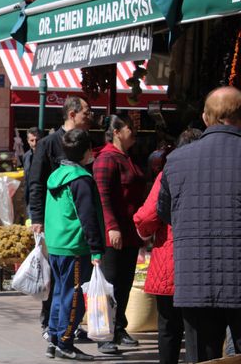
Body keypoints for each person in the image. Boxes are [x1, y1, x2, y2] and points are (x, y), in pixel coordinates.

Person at [158, 86, 241, 362]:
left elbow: (166, 212)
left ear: (206, 118)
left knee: (202, 358)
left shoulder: (176, 160)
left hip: (195, 279)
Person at [133, 128, 202, 364]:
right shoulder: (210, 172)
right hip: (202, 263)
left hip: (170, 260)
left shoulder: (168, 172)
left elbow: (147, 217)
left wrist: (143, 232)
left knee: (169, 329)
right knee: (198, 331)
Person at [28, 96, 94, 341]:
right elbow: (35, 182)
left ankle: (69, 325)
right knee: (56, 277)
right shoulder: (48, 144)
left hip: (74, 225)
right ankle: (52, 325)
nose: (90, 115)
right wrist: (37, 217)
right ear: (72, 114)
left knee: (70, 281)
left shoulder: (86, 142)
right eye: (86, 111)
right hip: (55, 222)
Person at [44, 129, 105, 361]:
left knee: (60, 294)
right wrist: (96, 248)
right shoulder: (80, 179)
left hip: (58, 244)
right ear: (87, 151)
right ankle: (66, 342)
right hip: (75, 246)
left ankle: (54, 338)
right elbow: (88, 217)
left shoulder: (57, 175)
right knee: (74, 297)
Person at [93, 114, 146, 354]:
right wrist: (111, 226)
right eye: (129, 128)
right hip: (114, 233)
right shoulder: (106, 159)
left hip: (130, 233)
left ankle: (118, 326)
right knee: (110, 285)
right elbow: (102, 197)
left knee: (123, 284)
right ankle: (104, 333)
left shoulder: (126, 158)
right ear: (116, 131)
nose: (133, 132)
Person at [22, 127, 44, 219]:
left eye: (37, 140)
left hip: (44, 198)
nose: (35, 143)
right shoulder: (26, 156)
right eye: (32, 140)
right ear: (28, 141)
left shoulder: (48, 154)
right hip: (31, 199)